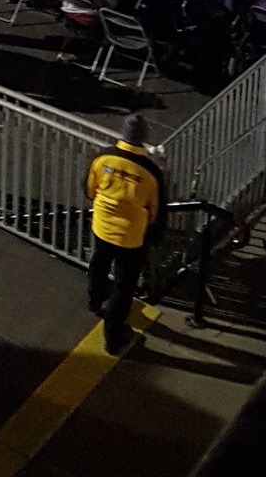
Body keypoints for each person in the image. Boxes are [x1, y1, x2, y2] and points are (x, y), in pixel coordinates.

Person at [85, 113, 167, 354]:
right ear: (143, 138)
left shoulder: (103, 157)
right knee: (124, 285)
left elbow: (89, 189)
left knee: (99, 263)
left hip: (102, 225)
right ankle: (113, 336)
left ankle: (94, 300)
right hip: (131, 236)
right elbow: (156, 211)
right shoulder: (151, 172)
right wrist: (154, 236)